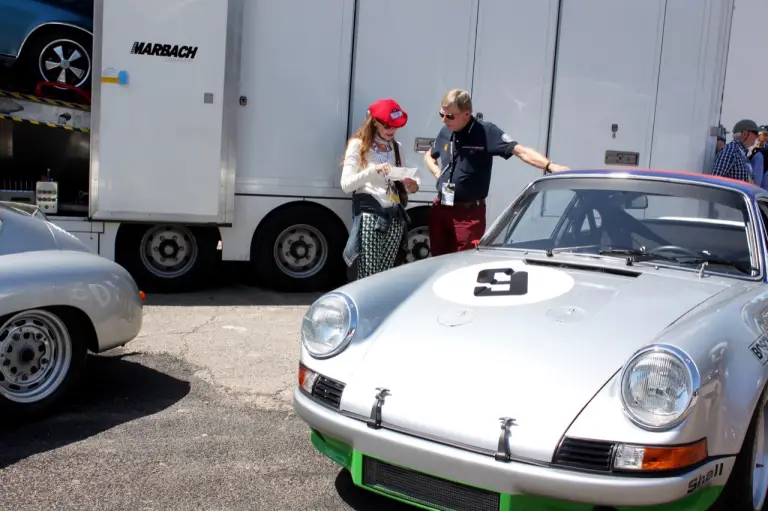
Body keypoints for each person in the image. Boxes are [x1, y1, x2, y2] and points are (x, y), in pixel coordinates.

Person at [423, 88, 570, 256]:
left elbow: (519, 150)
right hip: (441, 208)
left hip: (467, 214)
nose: (444, 120)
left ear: (467, 113)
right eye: (441, 114)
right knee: (437, 260)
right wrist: (437, 174)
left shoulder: (486, 132)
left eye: (450, 116)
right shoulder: (445, 131)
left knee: (463, 262)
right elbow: (429, 155)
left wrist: (549, 165)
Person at [340, 98, 419, 279]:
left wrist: (412, 186)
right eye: (388, 126)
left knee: (384, 276)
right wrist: (372, 171)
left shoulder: (397, 148)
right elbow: (346, 185)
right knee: (368, 275)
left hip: (394, 215)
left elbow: (400, 181)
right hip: (371, 215)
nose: (392, 130)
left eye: (396, 126)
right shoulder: (358, 145)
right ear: (374, 122)